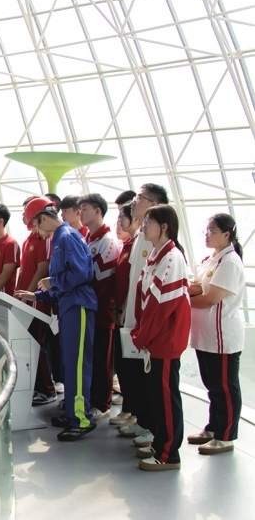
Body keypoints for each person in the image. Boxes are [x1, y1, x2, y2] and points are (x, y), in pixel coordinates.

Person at [14, 197, 97, 441]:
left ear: (43, 219)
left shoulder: (67, 237)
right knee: (68, 364)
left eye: (35, 225)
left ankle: (81, 418)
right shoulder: (59, 239)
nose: (36, 232)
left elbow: (81, 273)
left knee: (77, 366)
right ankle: (72, 412)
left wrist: (53, 282)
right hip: (67, 306)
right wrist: (37, 295)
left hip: (78, 306)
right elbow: (62, 280)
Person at [130, 204, 191, 471]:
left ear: (164, 226)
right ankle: (160, 442)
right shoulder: (156, 255)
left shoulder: (172, 258)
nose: (143, 227)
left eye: (148, 222)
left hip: (165, 340)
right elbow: (144, 299)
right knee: (156, 395)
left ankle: (169, 454)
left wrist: (142, 335)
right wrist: (141, 332)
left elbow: (161, 306)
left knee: (166, 398)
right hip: (153, 339)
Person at [187, 213, 245, 455]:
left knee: (225, 387)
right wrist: (192, 291)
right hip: (206, 335)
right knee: (212, 385)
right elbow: (197, 288)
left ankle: (226, 436)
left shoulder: (229, 262)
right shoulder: (210, 259)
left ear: (227, 234)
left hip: (222, 336)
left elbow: (211, 298)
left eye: (212, 231)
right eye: (206, 230)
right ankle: (213, 427)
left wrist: (186, 298)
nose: (207, 235)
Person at [117, 183, 170, 444]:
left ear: (155, 205)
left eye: (140, 197)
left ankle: (153, 428)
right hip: (133, 317)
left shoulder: (168, 252)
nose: (135, 201)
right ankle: (142, 420)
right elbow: (133, 279)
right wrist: (126, 310)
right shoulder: (140, 237)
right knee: (135, 374)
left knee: (150, 379)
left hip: (148, 324)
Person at [80, 193, 122, 421]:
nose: (81, 213)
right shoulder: (88, 239)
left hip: (102, 311)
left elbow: (102, 280)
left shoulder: (108, 241)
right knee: (90, 357)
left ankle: (102, 403)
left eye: (85, 209)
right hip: (87, 309)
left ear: (98, 211)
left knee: (101, 360)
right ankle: (90, 398)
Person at [18, 197, 58, 406]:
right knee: (30, 344)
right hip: (27, 300)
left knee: (36, 344)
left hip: (38, 301)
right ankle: (37, 386)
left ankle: (47, 389)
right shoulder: (29, 240)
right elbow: (25, 270)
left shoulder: (46, 240)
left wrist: (30, 293)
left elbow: (42, 269)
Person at [110, 203, 140, 427]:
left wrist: (123, 308)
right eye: (118, 218)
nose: (119, 223)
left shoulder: (138, 245)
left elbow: (134, 282)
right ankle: (129, 407)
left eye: (124, 218)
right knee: (123, 366)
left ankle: (134, 410)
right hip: (119, 313)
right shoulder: (126, 246)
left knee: (132, 369)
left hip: (127, 315)